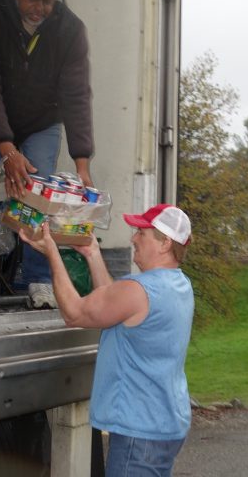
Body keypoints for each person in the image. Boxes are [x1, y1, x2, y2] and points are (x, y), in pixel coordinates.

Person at [0, 0, 94, 308]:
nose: (40, 8)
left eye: (48, 0)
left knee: (38, 197)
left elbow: (76, 94)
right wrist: (6, 149)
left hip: (39, 123)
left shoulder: (70, 30)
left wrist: (82, 163)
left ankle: (38, 281)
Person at [22, 204, 195, 477]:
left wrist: (51, 252)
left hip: (139, 431)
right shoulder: (178, 284)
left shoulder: (140, 290)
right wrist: (92, 254)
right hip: (164, 423)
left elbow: (74, 313)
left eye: (142, 233)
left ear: (165, 244)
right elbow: (111, 303)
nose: (133, 238)